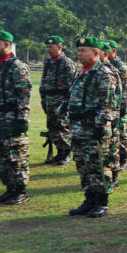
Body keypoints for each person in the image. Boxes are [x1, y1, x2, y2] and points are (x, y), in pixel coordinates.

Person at [65, 37, 115, 217]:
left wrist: (101, 126)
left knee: (98, 165)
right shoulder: (81, 72)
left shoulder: (103, 73)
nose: (79, 54)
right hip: (78, 126)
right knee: (83, 165)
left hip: (93, 126)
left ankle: (101, 201)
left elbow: (107, 103)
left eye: (83, 50)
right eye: (78, 50)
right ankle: (89, 199)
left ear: (95, 52)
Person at [0, 30, 32, 205]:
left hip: (10, 117)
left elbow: (23, 94)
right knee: (0, 155)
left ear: (6, 45)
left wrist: (22, 119)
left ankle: (20, 190)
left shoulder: (17, 66)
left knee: (15, 155)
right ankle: (9, 188)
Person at [39, 36, 78, 165]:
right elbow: (43, 80)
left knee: (62, 126)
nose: (48, 49)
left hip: (61, 99)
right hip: (49, 98)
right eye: (47, 47)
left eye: (51, 47)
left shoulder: (67, 63)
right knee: (52, 126)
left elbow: (71, 85)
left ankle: (66, 152)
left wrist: (67, 103)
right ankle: (59, 152)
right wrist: (43, 98)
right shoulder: (48, 62)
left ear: (59, 47)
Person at [98, 41, 123, 189]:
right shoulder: (96, 70)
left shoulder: (111, 71)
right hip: (104, 114)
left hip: (112, 115)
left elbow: (118, 96)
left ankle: (114, 176)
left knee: (112, 147)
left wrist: (117, 114)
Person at [106, 41, 127, 171]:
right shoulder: (104, 65)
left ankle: (124, 158)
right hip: (110, 105)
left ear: (114, 51)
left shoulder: (121, 67)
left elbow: (125, 89)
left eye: (107, 49)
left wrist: (123, 107)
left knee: (122, 130)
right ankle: (113, 158)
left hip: (119, 104)